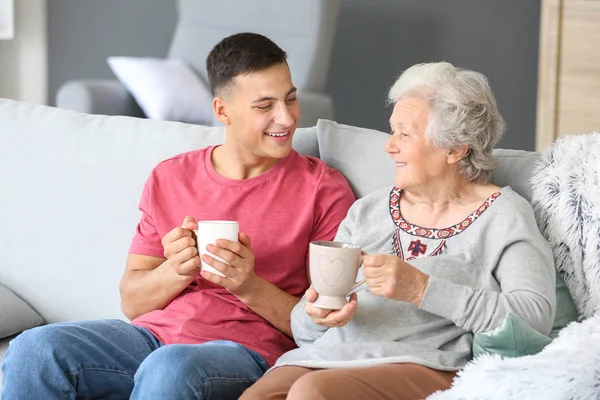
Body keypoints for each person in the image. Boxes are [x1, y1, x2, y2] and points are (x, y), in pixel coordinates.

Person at [0, 33, 355, 400]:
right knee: (34, 349)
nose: (286, 117)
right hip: (150, 338)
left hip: (247, 352)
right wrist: (176, 270)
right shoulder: (171, 177)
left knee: (169, 368)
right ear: (222, 111)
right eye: (265, 105)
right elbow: (132, 303)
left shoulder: (322, 190)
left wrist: (247, 285)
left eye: (290, 99)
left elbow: (327, 326)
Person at [241, 62, 557, 400]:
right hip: (320, 358)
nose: (389, 146)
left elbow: (533, 318)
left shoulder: (502, 215)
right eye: (392, 132)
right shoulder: (369, 211)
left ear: (455, 148)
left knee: (313, 393)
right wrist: (318, 315)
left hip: (423, 364)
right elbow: (304, 332)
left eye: (404, 134)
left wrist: (421, 289)